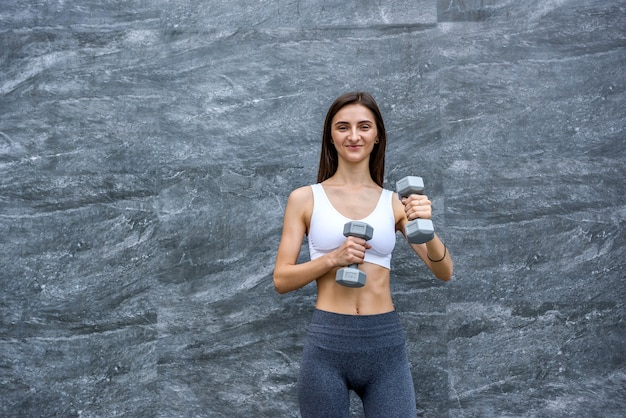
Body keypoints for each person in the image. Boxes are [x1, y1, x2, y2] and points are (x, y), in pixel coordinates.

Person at [273, 92, 453, 417]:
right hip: (328, 343)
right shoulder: (304, 199)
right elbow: (281, 279)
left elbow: (444, 271)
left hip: (385, 345)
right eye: (343, 127)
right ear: (331, 135)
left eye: (363, 127)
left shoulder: (395, 203)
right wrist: (332, 258)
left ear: (377, 135)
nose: (354, 136)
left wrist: (427, 226)